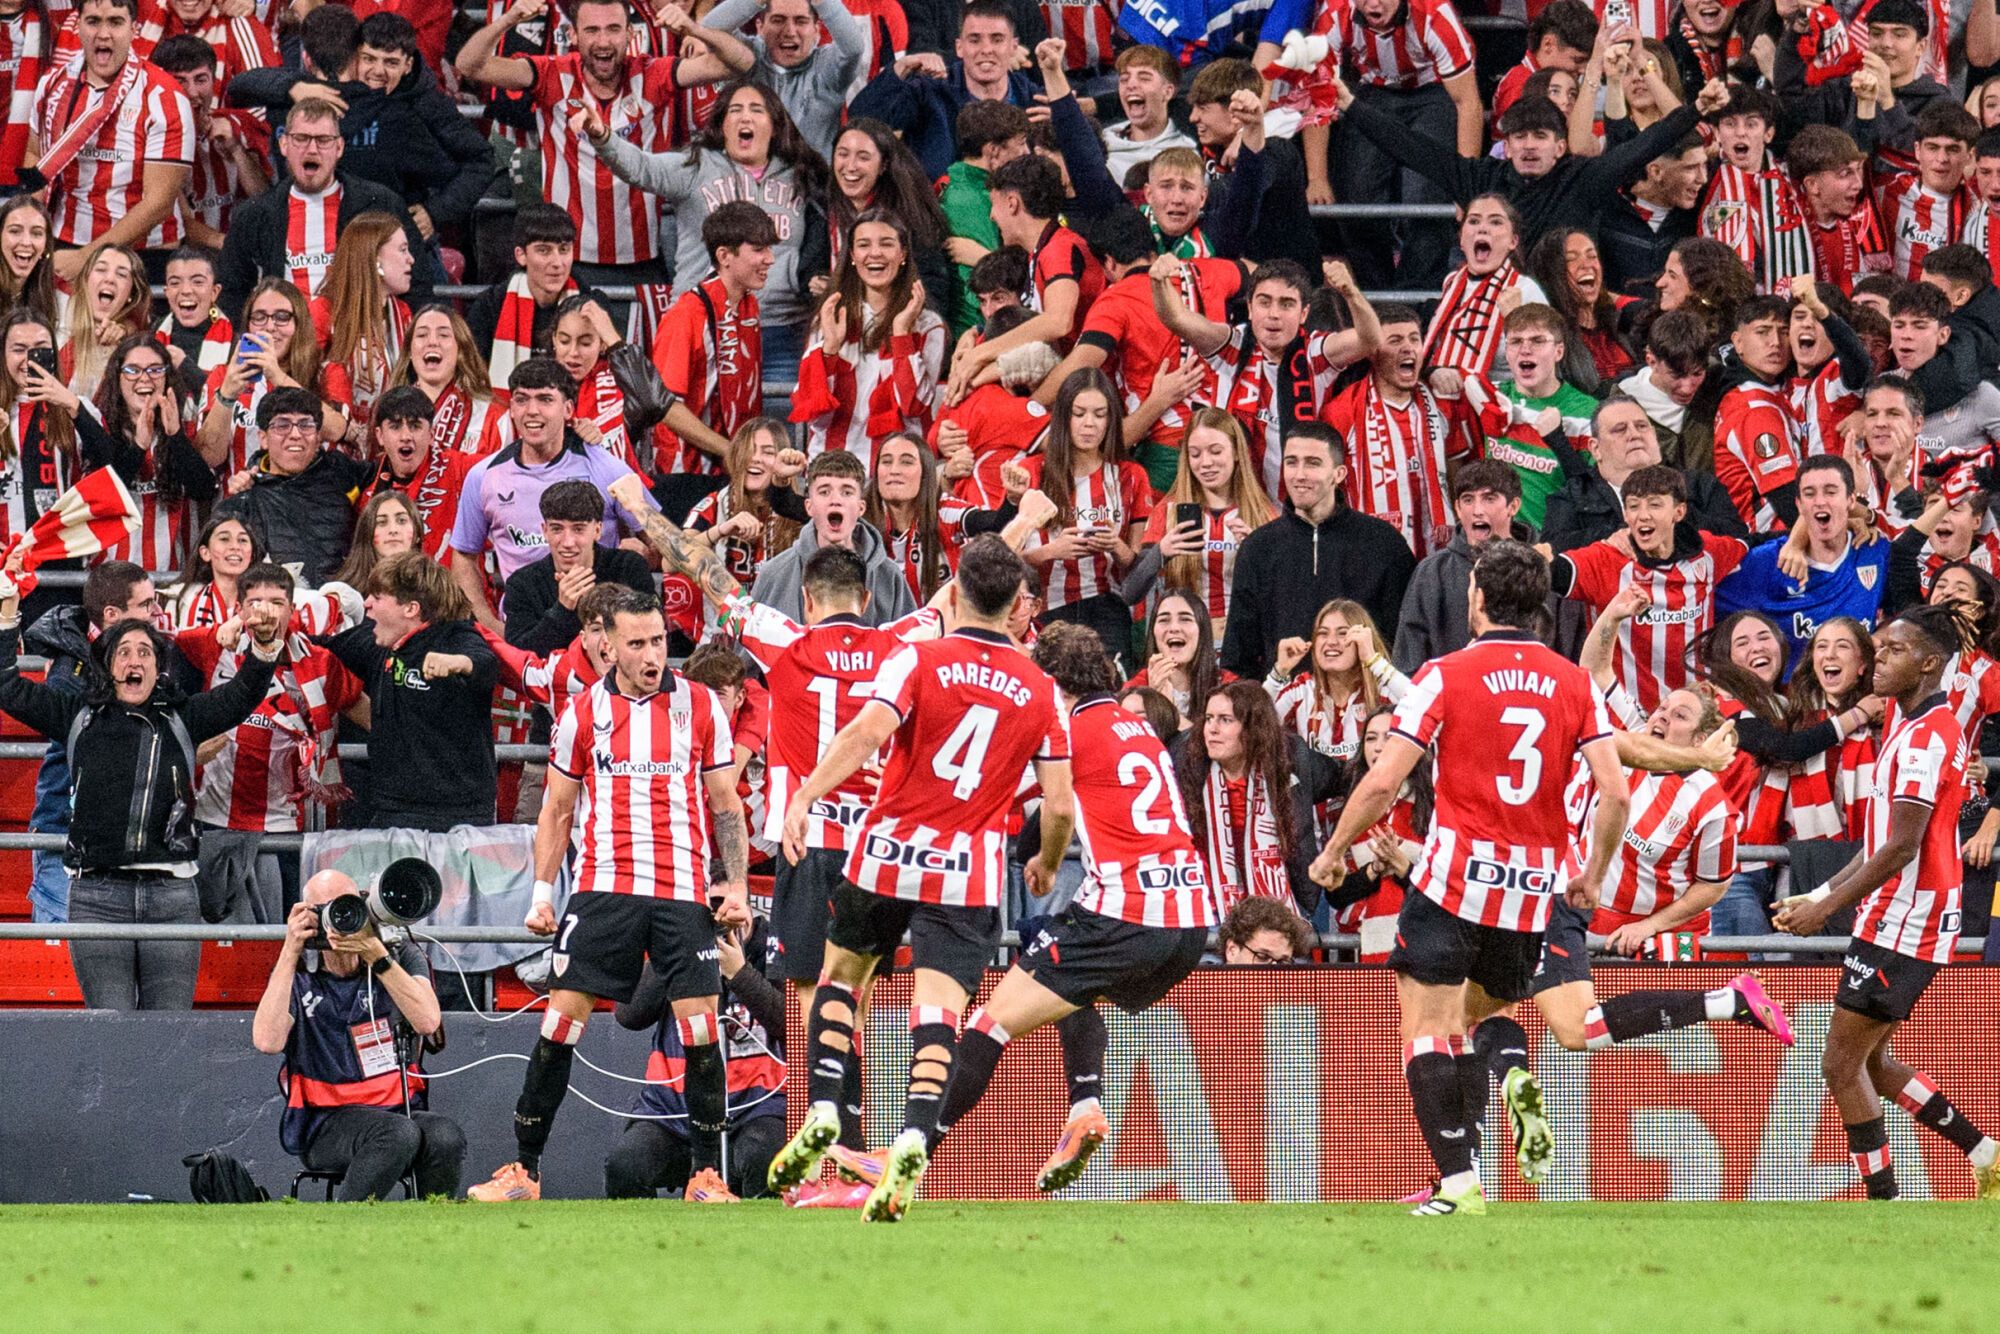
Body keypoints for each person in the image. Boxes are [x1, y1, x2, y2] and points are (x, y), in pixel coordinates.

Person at [1311, 540, 1629, 1216]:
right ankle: (1479, 1139)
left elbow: (1385, 778)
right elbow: (1616, 791)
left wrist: (1336, 847)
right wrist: (1592, 877)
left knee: (1427, 1026)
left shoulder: (1445, 672)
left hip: (1454, 877)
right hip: (1531, 891)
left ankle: (1459, 1182)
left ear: (1477, 598)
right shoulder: (1574, 682)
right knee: (1484, 1019)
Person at [767, 535, 1072, 1223]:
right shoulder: (1042, 688)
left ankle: (822, 1109)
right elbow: (1058, 803)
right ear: (1021, 604)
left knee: (841, 977)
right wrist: (1049, 862)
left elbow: (869, 732)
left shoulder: (917, 657)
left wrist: (807, 795)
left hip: (887, 849)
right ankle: (911, 1135)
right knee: (937, 1010)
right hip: (967, 868)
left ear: (955, 590)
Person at [468, 587, 751, 1204]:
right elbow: (557, 809)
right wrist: (542, 893)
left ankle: (706, 1175)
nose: (654, 654)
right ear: (607, 644)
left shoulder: (702, 707)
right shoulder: (582, 713)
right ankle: (525, 1171)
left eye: (661, 641)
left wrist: (734, 884)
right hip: (604, 888)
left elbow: (727, 804)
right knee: (560, 1024)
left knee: (702, 1030)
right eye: (639, 643)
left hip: (682, 891)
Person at [917, 622, 1214, 1194]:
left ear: (1052, 683)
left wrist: (1045, 861)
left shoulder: (1068, 728)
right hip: (1189, 920)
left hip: (1127, 911)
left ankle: (913, 1150)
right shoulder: (1136, 725)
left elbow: (1052, 810)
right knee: (1069, 990)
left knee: (988, 1023)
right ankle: (1085, 1106)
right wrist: (1036, 848)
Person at [1775, 604, 2000, 1202]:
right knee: (1873, 1062)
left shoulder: (1926, 737)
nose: (1878, 658)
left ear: (1929, 663)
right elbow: (1883, 843)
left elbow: (1901, 846)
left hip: (1906, 922)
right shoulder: (1914, 721)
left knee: (1838, 1066)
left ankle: (1883, 1198)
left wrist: (1824, 909)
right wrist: (1820, 894)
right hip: (1901, 916)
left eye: (1894, 650)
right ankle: (1984, 1153)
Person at [0, 567, 281, 1008]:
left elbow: (244, 693)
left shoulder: (183, 716)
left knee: (169, 1035)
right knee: (111, 1031)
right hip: (96, 895)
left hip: (172, 895)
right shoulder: (75, 712)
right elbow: (7, 687)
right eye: (124, 652)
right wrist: (6, 618)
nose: (135, 661)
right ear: (108, 665)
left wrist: (264, 648)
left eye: (146, 652)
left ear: (158, 666)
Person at [454, 0, 753, 323]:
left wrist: (692, 29)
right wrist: (509, 18)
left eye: (613, 29)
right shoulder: (550, 73)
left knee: (639, 372)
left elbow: (740, 63)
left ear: (629, 34)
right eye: (592, 30)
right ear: (573, 35)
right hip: (569, 264)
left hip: (642, 263)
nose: (603, 41)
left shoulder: (654, 73)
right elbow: (470, 65)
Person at [581, 76, 824, 374]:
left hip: (782, 330)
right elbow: (642, 167)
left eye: (756, 110)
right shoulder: (695, 166)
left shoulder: (801, 175)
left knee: (777, 420)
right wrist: (603, 137)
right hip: (705, 325)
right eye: (735, 110)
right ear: (721, 125)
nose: (745, 116)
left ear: (774, 126)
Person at [251, 868, 460, 1201]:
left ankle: (433, 1236)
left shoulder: (398, 955)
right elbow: (267, 1041)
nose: (340, 917)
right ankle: (344, 1230)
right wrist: (290, 950)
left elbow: (427, 1022)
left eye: (347, 905)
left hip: (394, 1109)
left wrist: (375, 955)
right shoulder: (299, 971)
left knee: (445, 1135)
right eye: (326, 910)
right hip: (324, 1123)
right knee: (398, 1134)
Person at [187, 564, 367, 924]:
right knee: (215, 941)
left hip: (284, 823)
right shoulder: (213, 648)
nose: (265, 611)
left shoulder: (321, 663)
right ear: (238, 610)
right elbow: (168, 642)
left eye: (276, 602)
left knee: (283, 932)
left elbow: (370, 717)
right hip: (212, 817)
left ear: (292, 609)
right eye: (255, 602)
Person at [448, 358, 643, 633]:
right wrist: (490, 626)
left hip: (600, 628)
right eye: (521, 399)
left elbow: (657, 543)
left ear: (568, 409)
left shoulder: (605, 467)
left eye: (545, 399)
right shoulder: (484, 476)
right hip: (525, 629)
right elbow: (464, 556)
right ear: (511, 409)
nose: (532, 411)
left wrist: (638, 552)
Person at [316, 551, 499, 833]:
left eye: (377, 597)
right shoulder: (377, 642)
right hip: (393, 810)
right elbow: (316, 649)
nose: (366, 604)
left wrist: (457, 663)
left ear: (411, 608)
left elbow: (485, 665)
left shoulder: (457, 637)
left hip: (461, 817)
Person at [1220, 424, 1416, 681]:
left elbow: (1404, 647)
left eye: (1312, 463)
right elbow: (1240, 655)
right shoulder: (1258, 548)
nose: (1299, 474)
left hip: (1368, 709)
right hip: (1281, 708)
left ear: (1339, 474)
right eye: (1291, 462)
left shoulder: (1385, 544)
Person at [1547, 465, 1749, 714]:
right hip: (1624, 716)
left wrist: (1794, 543)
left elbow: (1749, 541)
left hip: (1696, 713)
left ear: (1679, 511)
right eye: (1633, 506)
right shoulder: (1605, 559)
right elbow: (1544, 572)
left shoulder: (1708, 553)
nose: (1643, 515)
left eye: (1654, 505)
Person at [605, 928, 787, 1200]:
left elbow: (792, 1025)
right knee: (624, 1166)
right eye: (709, 908)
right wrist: (678, 943)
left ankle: (759, 1241)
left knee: (767, 1159)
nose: (719, 920)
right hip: (672, 1110)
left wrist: (740, 973)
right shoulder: (677, 939)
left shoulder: (771, 945)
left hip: (756, 1107)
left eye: (726, 903)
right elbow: (629, 1016)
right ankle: (647, 1242)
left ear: (746, 900)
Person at [214, 99, 429, 322]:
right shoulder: (254, 215)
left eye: (323, 140)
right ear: (284, 145)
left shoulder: (381, 204)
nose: (312, 149)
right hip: (285, 346)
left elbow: (418, 285)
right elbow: (231, 294)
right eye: (301, 139)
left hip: (359, 342)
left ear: (339, 148)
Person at [25, 0, 194, 281]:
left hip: (144, 254)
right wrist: (31, 226)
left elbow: (160, 203)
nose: (103, 34)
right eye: (93, 22)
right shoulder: (53, 83)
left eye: (115, 22)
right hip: (64, 244)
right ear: (77, 26)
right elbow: (34, 155)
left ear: (134, 30)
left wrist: (89, 257)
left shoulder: (164, 97)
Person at [650, 202, 778, 519]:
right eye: (759, 249)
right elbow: (665, 408)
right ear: (724, 256)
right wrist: (730, 450)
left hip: (732, 472)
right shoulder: (686, 314)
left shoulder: (749, 306)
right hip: (687, 476)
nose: (770, 259)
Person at [1020, 367, 1152, 670]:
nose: (1089, 424)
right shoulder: (1029, 472)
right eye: (1079, 413)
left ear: (1111, 419)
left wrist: (1117, 547)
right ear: (1064, 416)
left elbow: (1138, 571)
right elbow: (1004, 558)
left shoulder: (1131, 476)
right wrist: (1051, 552)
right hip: (1044, 611)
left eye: (1099, 414)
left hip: (1107, 611)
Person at [793, 209, 945, 470]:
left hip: (899, 474)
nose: (875, 253)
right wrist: (829, 350)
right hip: (834, 471)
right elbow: (812, 412)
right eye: (864, 245)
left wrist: (901, 334)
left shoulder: (929, 326)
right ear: (852, 256)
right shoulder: (829, 318)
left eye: (886, 244)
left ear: (903, 254)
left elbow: (913, 406)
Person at [1717, 456, 1890, 669]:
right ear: (1799, 504)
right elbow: (1705, 604)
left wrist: (1880, 636)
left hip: (1860, 694)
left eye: (1830, 492)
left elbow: (1899, 609)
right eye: (1810, 494)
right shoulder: (1768, 562)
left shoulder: (1875, 550)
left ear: (1851, 501)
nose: (1820, 501)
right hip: (1791, 698)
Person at [1321, 301, 1461, 560]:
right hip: (1371, 554)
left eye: (1414, 339)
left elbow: (1455, 471)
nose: (1407, 347)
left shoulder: (1440, 401)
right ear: (1372, 351)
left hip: (1439, 552)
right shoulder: (1343, 410)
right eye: (1395, 340)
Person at [847, 0, 1040, 180]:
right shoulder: (930, 93)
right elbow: (862, 117)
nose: (986, 49)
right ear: (959, 47)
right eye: (974, 40)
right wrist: (900, 68)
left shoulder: (1034, 102)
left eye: (997, 40)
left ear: (1014, 47)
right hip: (935, 213)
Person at [1122, 407, 1274, 634]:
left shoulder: (1263, 514)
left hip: (1243, 643)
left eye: (1215, 451)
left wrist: (1257, 556)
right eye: (1195, 454)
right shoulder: (1168, 510)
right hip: (1183, 643)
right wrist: (1161, 552)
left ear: (1235, 452)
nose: (1205, 463)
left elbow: (1281, 597)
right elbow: (1130, 593)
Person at [85, 331, 215, 573]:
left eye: (155, 369)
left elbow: (204, 490)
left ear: (167, 377)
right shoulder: (99, 429)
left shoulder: (185, 428)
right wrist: (139, 448)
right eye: (133, 370)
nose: (144, 378)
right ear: (117, 378)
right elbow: (103, 499)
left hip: (172, 579)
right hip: (108, 581)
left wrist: (175, 435)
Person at [215, 386, 369, 587]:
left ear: (318, 437)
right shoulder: (243, 501)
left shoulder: (342, 472)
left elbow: (399, 474)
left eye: (306, 425)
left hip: (345, 610)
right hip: (276, 613)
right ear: (263, 438)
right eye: (282, 425)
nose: (296, 434)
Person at [749, 449, 917, 626]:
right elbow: (747, 649)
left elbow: (911, 646)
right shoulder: (774, 575)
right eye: (824, 492)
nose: (835, 500)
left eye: (847, 492)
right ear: (809, 506)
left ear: (861, 508)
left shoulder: (889, 576)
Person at [1393, 460, 1526, 672]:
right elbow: (1409, 662)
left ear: (1513, 506)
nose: (1478, 510)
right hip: (1451, 702)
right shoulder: (1431, 573)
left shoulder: (1540, 568)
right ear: (1457, 507)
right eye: (1468, 500)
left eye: (1489, 499)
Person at [197, 279, 335, 478]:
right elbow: (208, 457)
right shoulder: (223, 376)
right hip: (242, 501)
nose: (270, 326)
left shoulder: (327, 373)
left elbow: (337, 430)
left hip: (310, 501)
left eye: (282, 317)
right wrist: (226, 396)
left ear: (300, 323)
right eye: (259, 317)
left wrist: (277, 376)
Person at [501, 479, 655, 656]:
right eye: (557, 529)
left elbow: (652, 630)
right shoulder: (522, 583)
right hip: (554, 682)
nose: (567, 542)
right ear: (544, 530)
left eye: (578, 529)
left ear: (597, 530)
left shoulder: (628, 567)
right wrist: (561, 610)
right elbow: (520, 657)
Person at [463, 204, 605, 387]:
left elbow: (616, 375)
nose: (557, 263)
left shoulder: (594, 305)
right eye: (544, 250)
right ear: (521, 255)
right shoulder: (489, 307)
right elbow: (469, 376)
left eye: (564, 250)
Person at [700, 0, 866, 155]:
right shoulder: (748, 56)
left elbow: (854, 48)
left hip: (813, 183)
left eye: (801, 21)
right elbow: (710, 30)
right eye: (778, 20)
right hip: (751, 183)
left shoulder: (827, 67)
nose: (790, 32)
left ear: (817, 30)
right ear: (760, 27)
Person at [386, 306, 505, 458]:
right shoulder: (386, 411)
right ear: (409, 351)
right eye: (422, 335)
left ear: (461, 350)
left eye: (444, 335)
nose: (432, 342)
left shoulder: (493, 417)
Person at [1120, 589, 1226, 730]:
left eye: (1185, 619)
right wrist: (1152, 702)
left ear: (1202, 630)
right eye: (1164, 620)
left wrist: (1169, 710)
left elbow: (1219, 746)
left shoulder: (1226, 686)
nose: (1174, 628)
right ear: (1153, 631)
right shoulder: (1132, 692)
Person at [167, 514, 258, 629]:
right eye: (224, 539)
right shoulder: (181, 600)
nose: (235, 546)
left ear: (251, 555)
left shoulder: (264, 601)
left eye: (242, 540)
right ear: (206, 553)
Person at [1216, 894, 1316, 965]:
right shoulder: (1202, 991)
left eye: (1282, 963)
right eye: (1262, 957)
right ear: (1232, 951)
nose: (1273, 971)